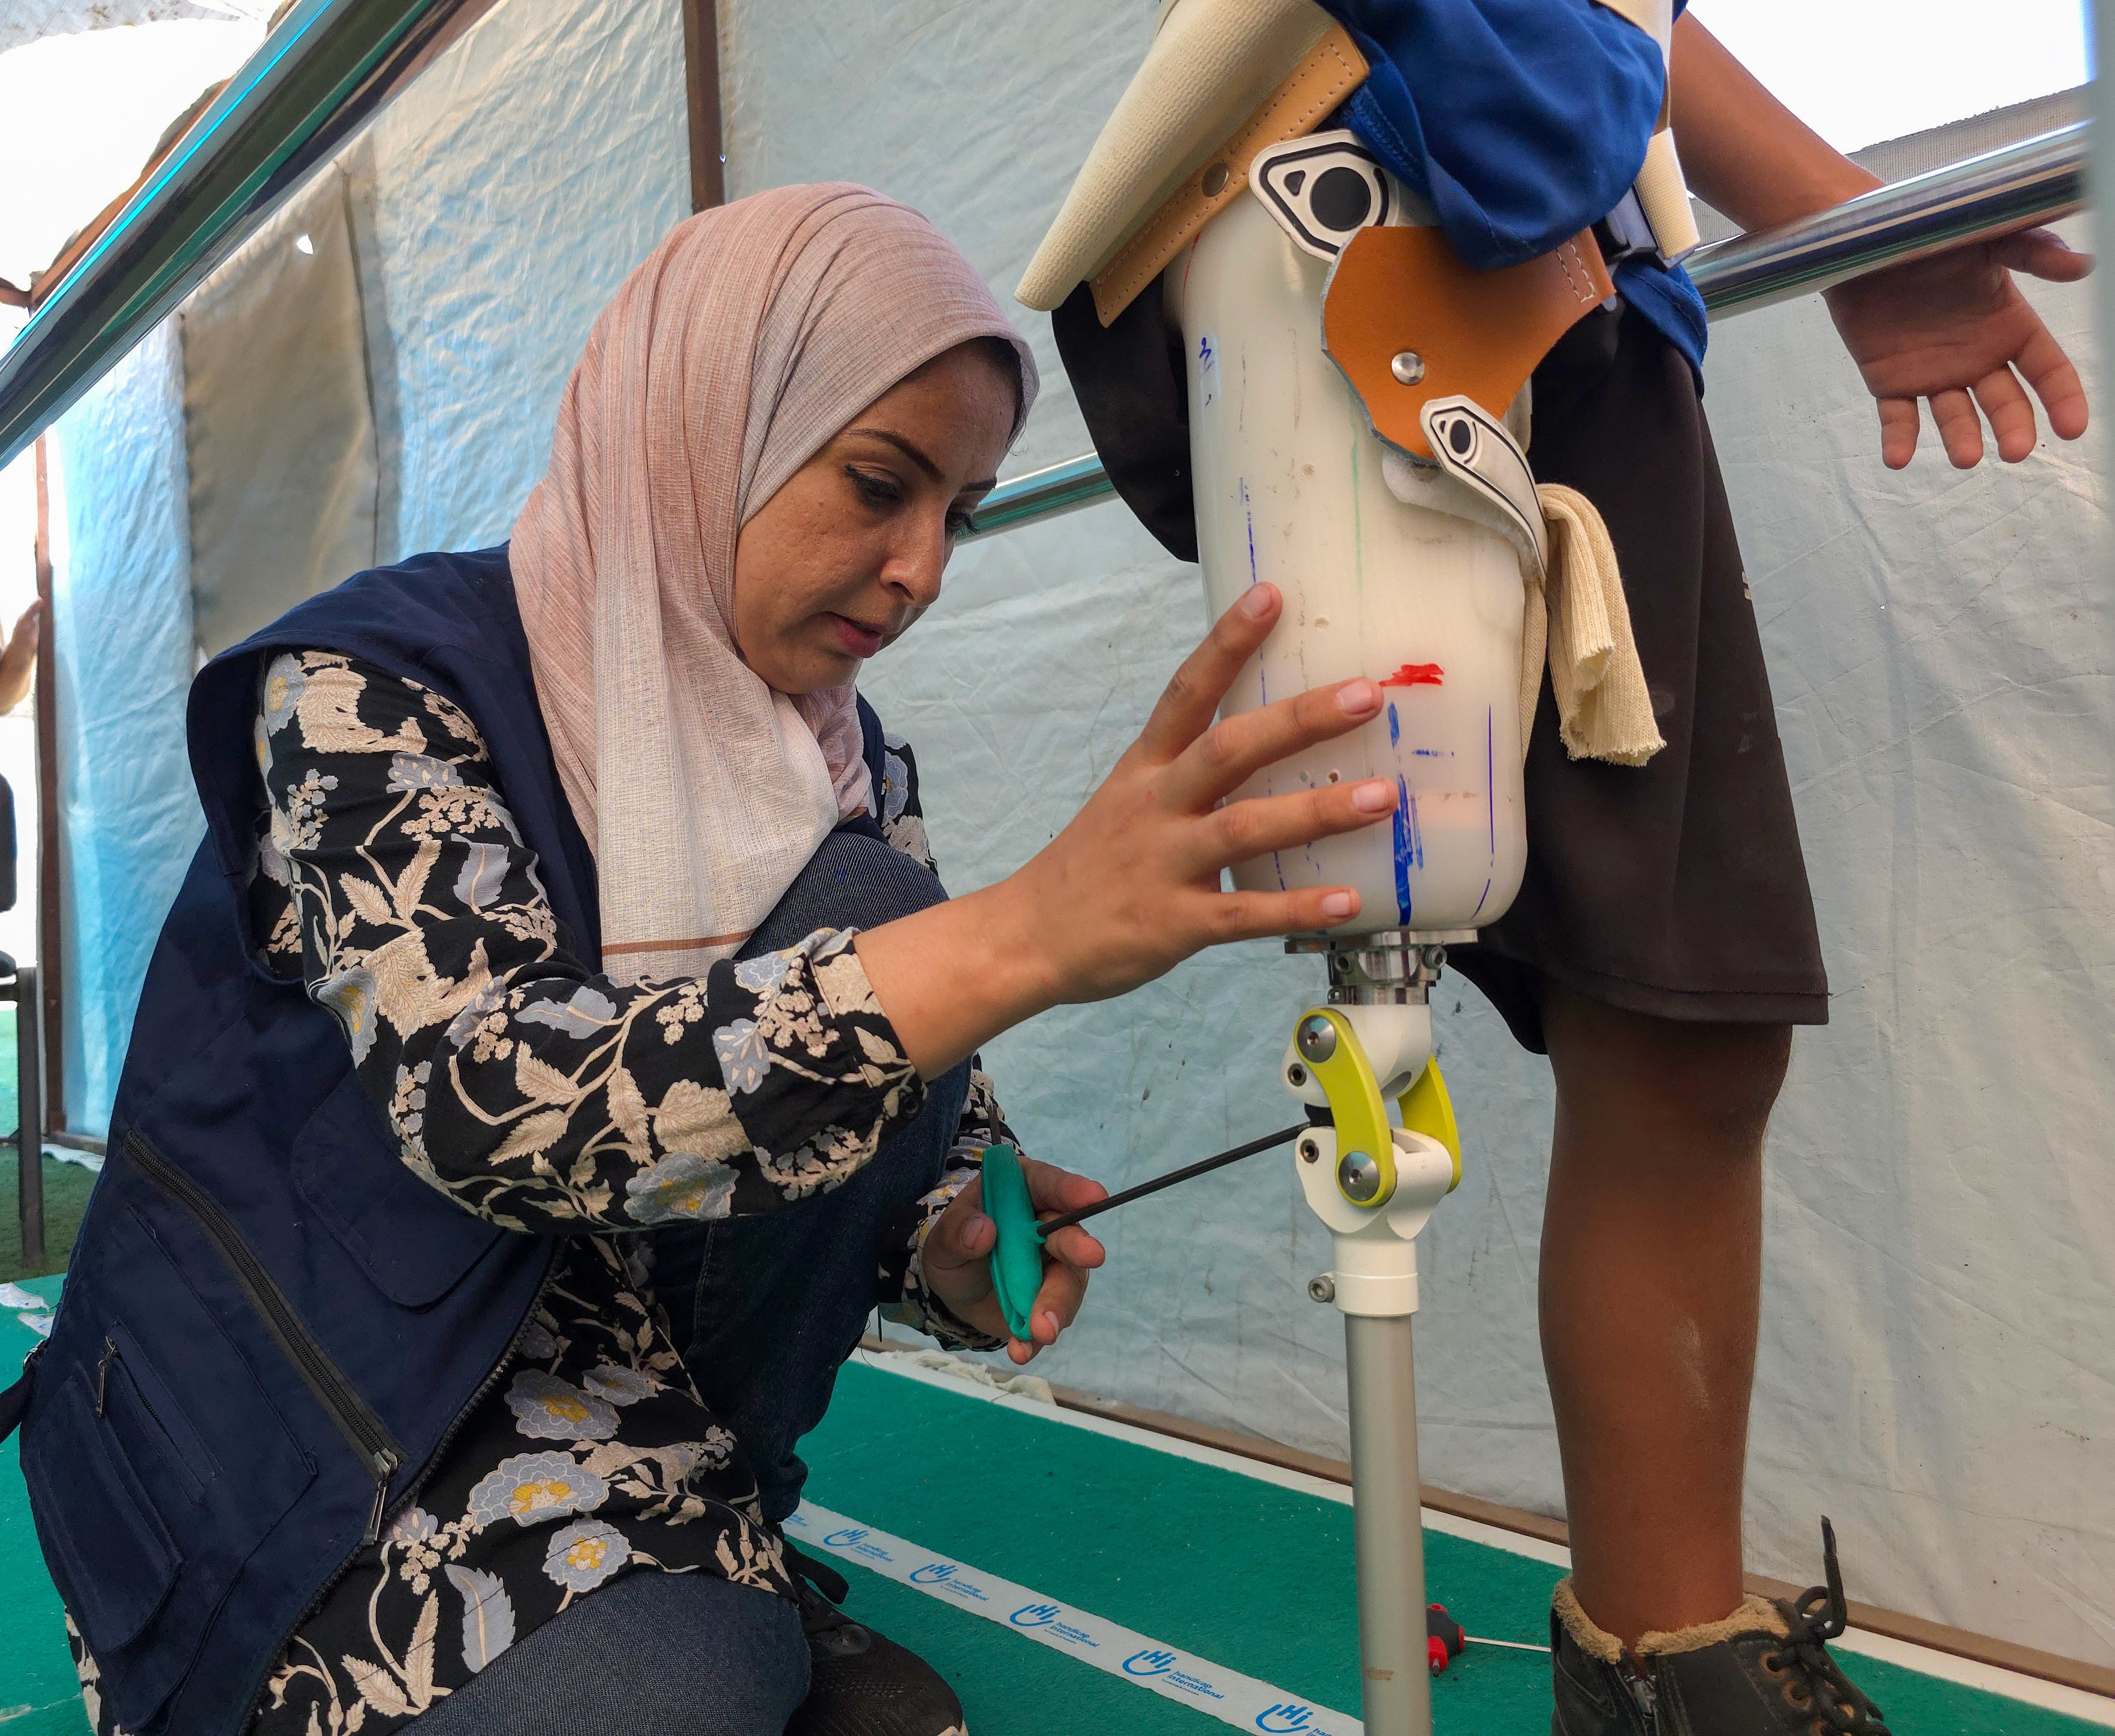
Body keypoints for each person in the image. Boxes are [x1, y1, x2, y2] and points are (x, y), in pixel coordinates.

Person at [9, 184, 1403, 1736]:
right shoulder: (364, 693)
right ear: (702, 425)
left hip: (602, 1360)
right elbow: (485, 1107)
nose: (925, 566)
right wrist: (1023, 935)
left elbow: (903, 1090)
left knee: (876, 920)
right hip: (308, 1406)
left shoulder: (844, 757)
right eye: (880, 484)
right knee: (661, 1700)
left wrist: (946, 1245)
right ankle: (682, 1587)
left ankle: (709, 1546)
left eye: (963, 509)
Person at [1031, 3, 2091, 1731]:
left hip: (1476, 225)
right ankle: (1665, 1670)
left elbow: (1633, 15)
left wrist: (1839, 233)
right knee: (1624, 1004)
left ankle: (1666, 1659)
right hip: (1420, 229)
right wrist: (1831, 222)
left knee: (1681, 1017)